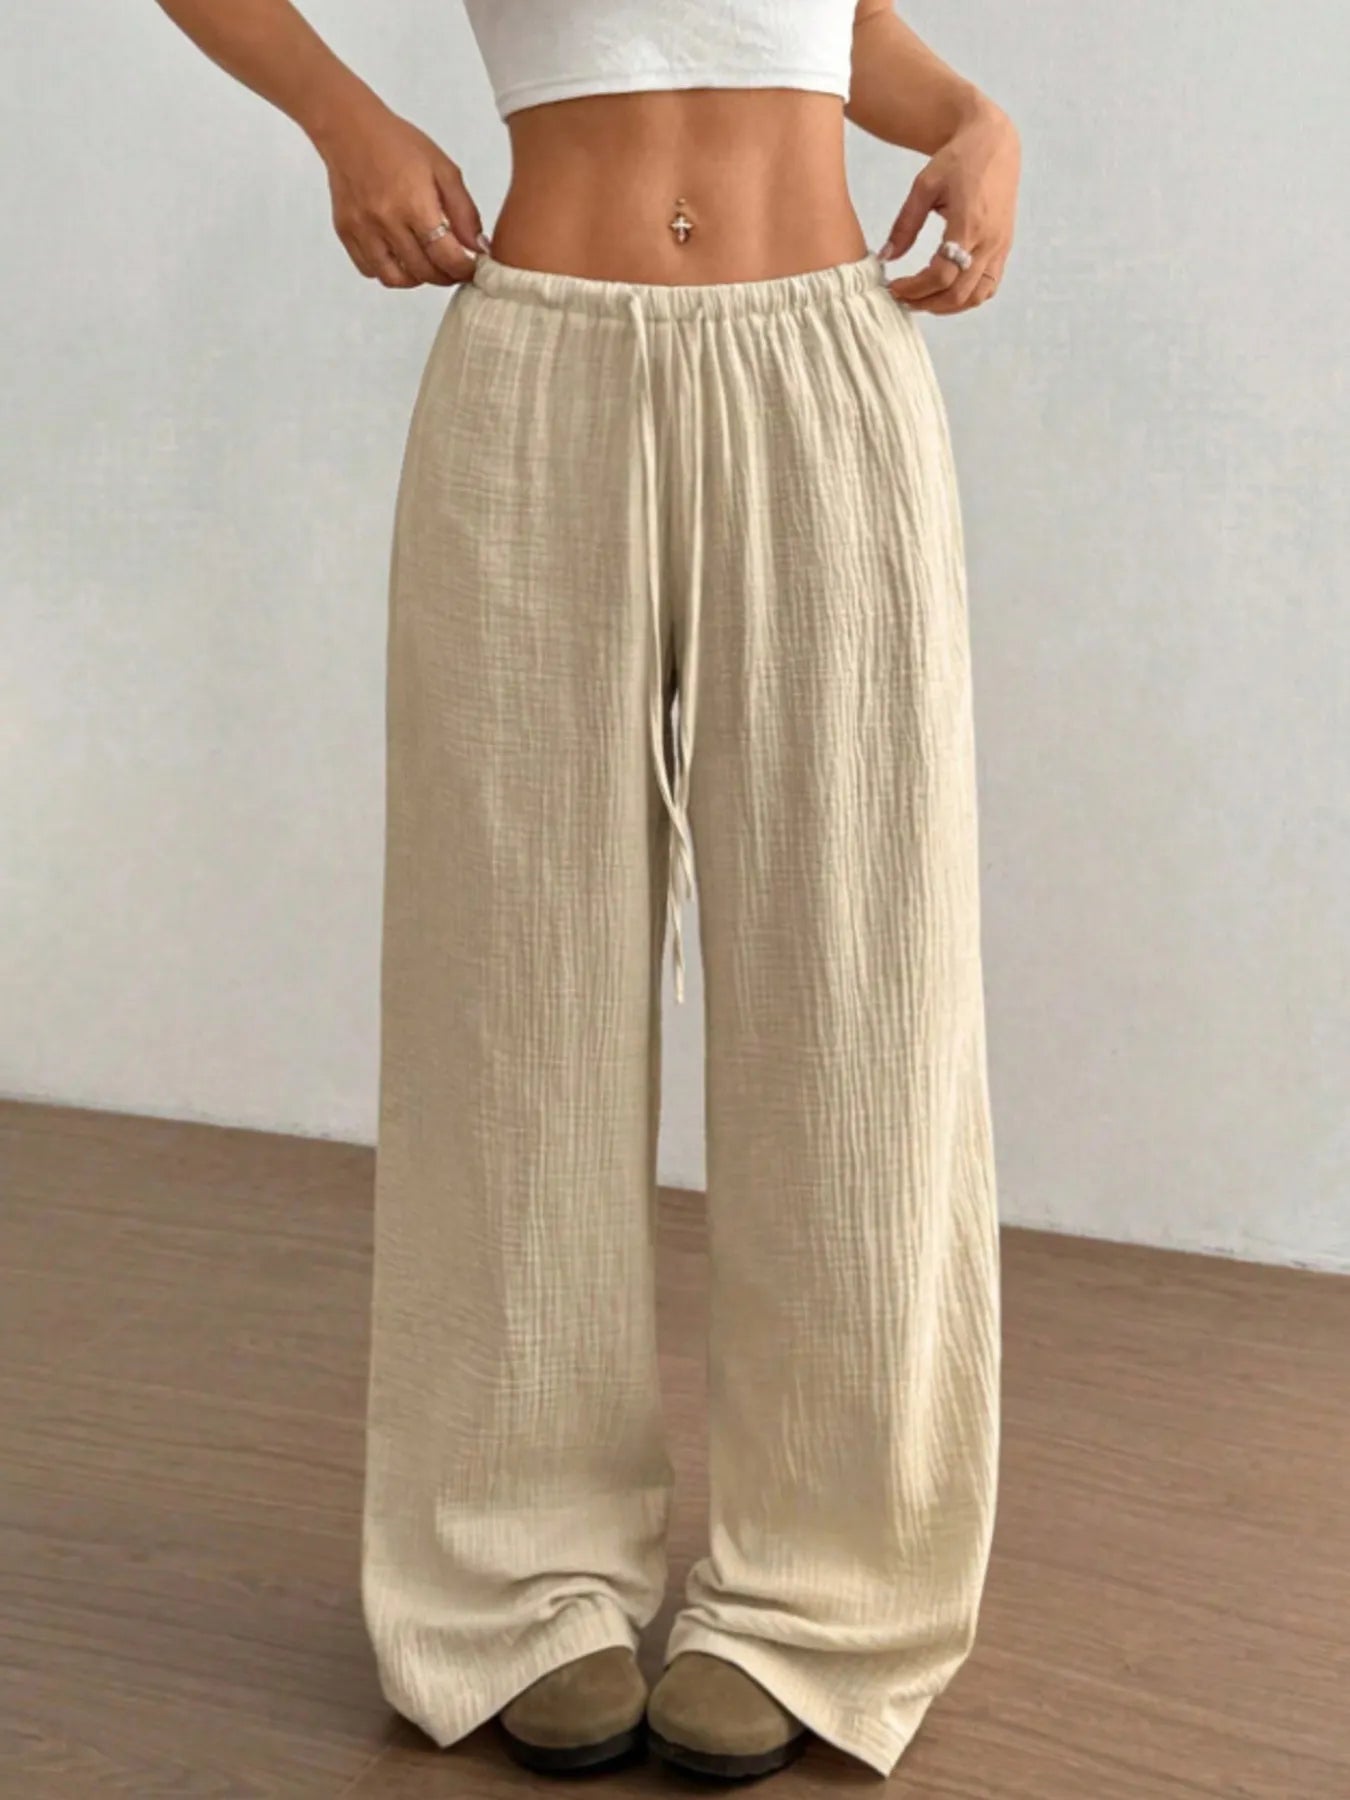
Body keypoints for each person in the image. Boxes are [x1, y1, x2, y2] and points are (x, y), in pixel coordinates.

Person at [156, 0, 1019, 1781]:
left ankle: (825, 1595)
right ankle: (511, 1574)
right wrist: (339, 118)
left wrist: (970, 116)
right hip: (539, 368)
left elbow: (832, 27)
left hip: (825, 371)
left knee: (861, 998)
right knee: (510, 993)